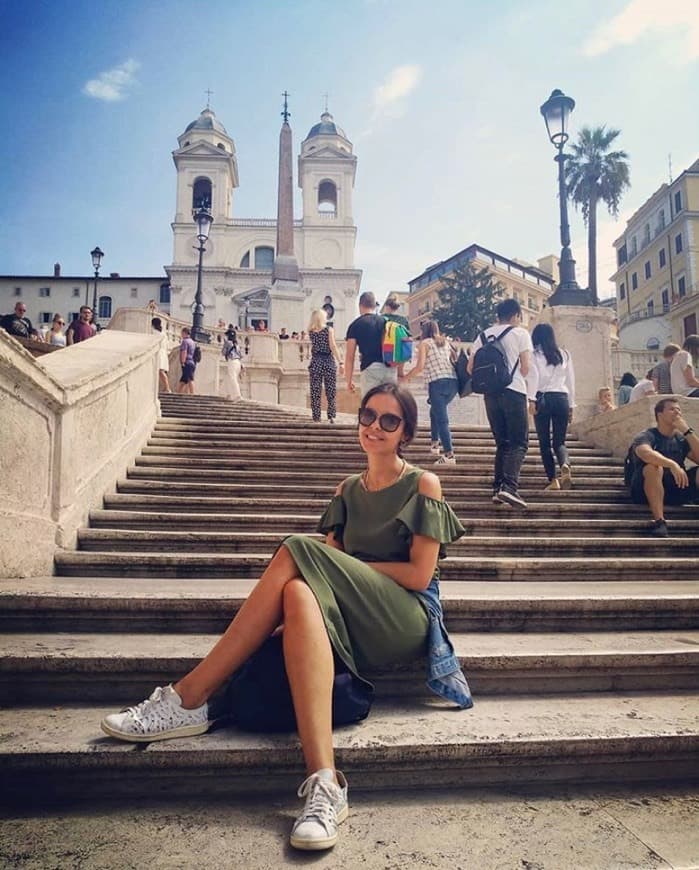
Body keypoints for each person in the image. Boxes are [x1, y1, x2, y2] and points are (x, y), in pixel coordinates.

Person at [99, 383, 472, 851]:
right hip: (354, 618)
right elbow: (326, 574)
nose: (375, 427)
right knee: (297, 591)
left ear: (406, 433)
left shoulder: (422, 483)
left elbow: (419, 576)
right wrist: (296, 612)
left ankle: (188, 696)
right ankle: (324, 783)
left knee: (300, 548)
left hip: (405, 620)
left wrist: (343, 567)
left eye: (389, 421)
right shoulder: (347, 491)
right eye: (368, 416)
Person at [467, 298, 532, 509]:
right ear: (516, 316)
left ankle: (498, 489)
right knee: (519, 442)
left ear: (498, 316)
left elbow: (470, 369)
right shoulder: (520, 333)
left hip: (490, 394)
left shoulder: (483, 335)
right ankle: (510, 487)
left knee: (502, 443)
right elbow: (526, 367)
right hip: (513, 391)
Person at [627, 397, 699, 537]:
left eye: (679, 409)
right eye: (672, 409)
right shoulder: (647, 435)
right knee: (653, 467)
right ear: (660, 415)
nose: (677, 413)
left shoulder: (680, 439)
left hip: (674, 489)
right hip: (643, 491)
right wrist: (672, 464)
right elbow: (644, 452)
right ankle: (659, 522)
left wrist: (688, 432)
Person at [526, 323, 576, 492]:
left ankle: (553, 479)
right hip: (562, 397)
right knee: (560, 441)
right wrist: (571, 405)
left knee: (545, 442)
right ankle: (565, 464)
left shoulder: (534, 355)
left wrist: (531, 399)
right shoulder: (564, 354)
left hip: (543, 398)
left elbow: (533, 377)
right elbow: (571, 381)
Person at [403, 321, 458, 465]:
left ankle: (449, 455)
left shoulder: (425, 344)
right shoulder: (445, 343)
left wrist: (405, 377)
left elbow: (420, 366)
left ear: (424, 331)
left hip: (437, 383)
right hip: (453, 383)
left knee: (442, 419)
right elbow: (454, 360)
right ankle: (434, 444)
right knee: (435, 412)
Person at [345, 290, 396, 397]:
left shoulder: (355, 325)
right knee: (390, 406)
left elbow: (350, 357)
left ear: (360, 305)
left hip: (370, 369)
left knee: (370, 406)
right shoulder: (385, 322)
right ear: (374, 305)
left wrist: (349, 381)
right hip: (389, 368)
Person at [308, 308, 343, 423]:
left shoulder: (311, 332)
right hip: (328, 360)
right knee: (330, 389)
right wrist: (340, 361)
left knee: (315, 390)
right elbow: (333, 346)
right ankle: (331, 416)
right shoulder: (329, 330)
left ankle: (316, 416)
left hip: (316, 361)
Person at [222, 327, 243, 401]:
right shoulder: (237, 344)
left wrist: (224, 344)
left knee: (232, 378)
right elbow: (240, 355)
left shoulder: (227, 342)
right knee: (228, 377)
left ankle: (238, 395)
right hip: (238, 362)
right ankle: (228, 394)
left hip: (232, 361)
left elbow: (223, 352)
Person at [151, 317, 171, 393]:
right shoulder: (164, 334)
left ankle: (167, 388)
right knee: (161, 371)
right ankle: (165, 387)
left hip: (159, 353)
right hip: (163, 353)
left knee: (160, 371)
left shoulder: (154, 333)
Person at [177, 326, 196, 395]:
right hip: (192, 362)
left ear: (184, 333)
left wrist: (182, 361)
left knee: (190, 379)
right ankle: (178, 394)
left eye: (182, 333)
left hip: (187, 362)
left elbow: (184, 352)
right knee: (183, 380)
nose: (181, 335)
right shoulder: (193, 342)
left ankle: (192, 394)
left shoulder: (185, 341)